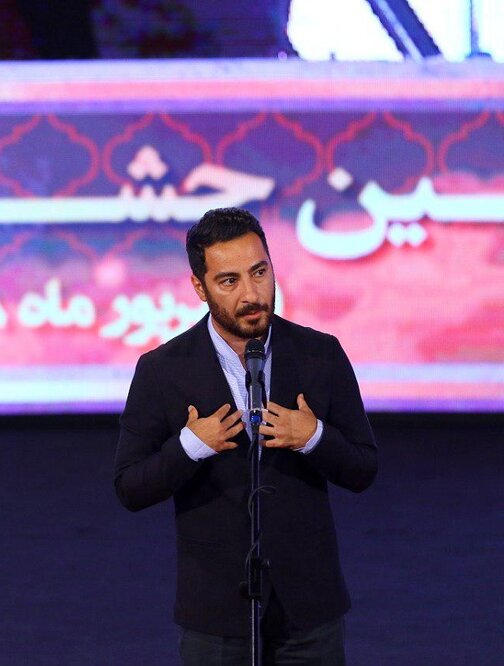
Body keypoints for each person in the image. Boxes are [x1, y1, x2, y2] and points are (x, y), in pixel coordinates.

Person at [113, 207, 377, 665]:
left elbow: (363, 469)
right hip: (216, 612)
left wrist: (314, 436)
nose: (252, 294)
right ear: (200, 287)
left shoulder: (321, 354)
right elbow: (129, 487)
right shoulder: (162, 371)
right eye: (229, 281)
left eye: (259, 272)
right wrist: (190, 446)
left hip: (308, 608)